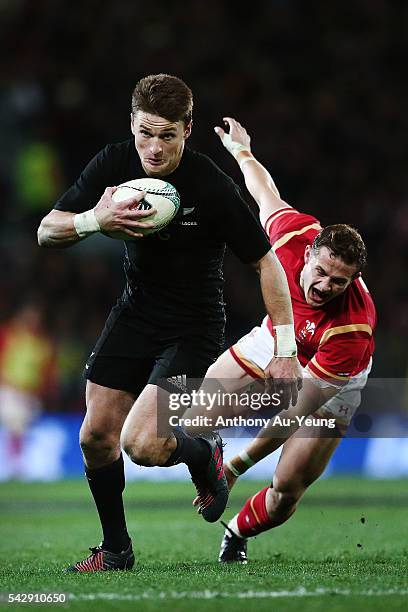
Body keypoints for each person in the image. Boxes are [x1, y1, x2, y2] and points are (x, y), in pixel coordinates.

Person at [37, 75, 302, 572]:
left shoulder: (210, 186)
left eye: (167, 136)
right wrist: (95, 221)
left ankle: (203, 456)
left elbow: (266, 262)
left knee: (144, 445)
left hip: (194, 325)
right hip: (136, 312)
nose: (153, 149)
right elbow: (46, 230)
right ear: (132, 125)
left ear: (188, 130)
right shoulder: (115, 164)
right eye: (145, 134)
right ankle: (116, 550)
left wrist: (285, 350)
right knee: (94, 436)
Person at [185, 117, 376, 563]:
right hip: (279, 336)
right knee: (193, 414)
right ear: (309, 253)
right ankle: (212, 451)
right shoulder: (291, 235)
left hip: (332, 381)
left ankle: (236, 533)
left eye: (339, 282)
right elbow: (262, 191)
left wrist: (237, 468)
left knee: (287, 490)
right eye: (322, 272)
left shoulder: (353, 330)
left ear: (354, 280)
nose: (326, 286)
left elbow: (294, 411)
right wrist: (241, 152)